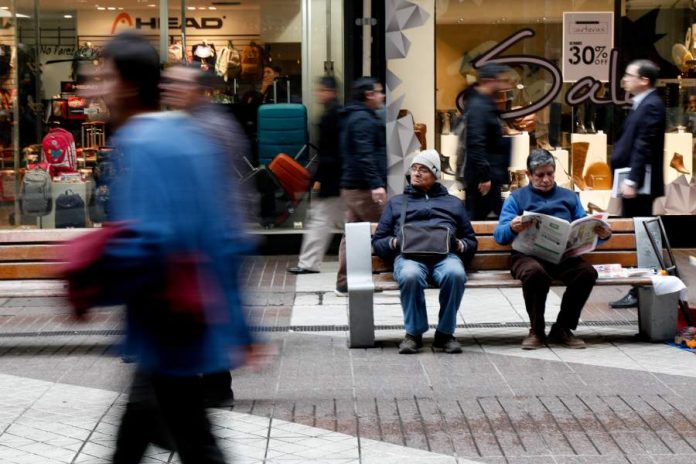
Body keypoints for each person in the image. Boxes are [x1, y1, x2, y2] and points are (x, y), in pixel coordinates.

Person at [82, 32, 258, 463]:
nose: (92, 88)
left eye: (102, 77)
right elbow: (219, 232)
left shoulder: (142, 142)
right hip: (176, 323)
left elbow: (155, 240)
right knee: (165, 431)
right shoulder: (182, 135)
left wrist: (87, 273)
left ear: (126, 84)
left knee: (192, 441)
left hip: (168, 323)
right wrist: (239, 324)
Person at [160, 64, 256, 407]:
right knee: (204, 311)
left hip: (216, 235)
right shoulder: (190, 123)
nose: (169, 88)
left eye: (177, 83)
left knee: (211, 311)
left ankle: (215, 386)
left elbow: (210, 188)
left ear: (198, 89)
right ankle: (209, 384)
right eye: (167, 82)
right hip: (207, 235)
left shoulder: (209, 125)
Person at [494, 149, 612, 350]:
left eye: (550, 173)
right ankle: (537, 331)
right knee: (534, 273)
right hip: (527, 256)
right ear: (529, 175)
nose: (546, 179)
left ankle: (563, 328)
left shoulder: (570, 197)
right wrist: (512, 227)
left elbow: (583, 226)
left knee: (586, 273)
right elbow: (500, 236)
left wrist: (602, 234)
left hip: (562, 256)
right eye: (540, 175)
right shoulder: (517, 198)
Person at [372, 149, 477, 354]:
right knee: (409, 275)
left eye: (424, 169)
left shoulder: (453, 203)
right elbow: (378, 241)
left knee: (455, 274)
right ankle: (414, 334)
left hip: (445, 256)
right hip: (409, 257)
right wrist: (395, 242)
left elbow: (471, 241)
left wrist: (459, 245)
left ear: (435, 175)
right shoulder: (397, 203)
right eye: (414, 168)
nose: (417, 173)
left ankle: (445, 334)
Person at [609, 59, 666, 309]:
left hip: (639, 185)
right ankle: (647, 283)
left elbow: (644, 144)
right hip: (634, 181)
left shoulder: (651, 105)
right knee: (638, 234)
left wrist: (632, 180)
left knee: (640, 236)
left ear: (644, 80)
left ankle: (643, 285)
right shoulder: (641, 103)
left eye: (629, 75)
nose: (625, 79)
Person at [335, 76, 386, 295]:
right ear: (369, 95)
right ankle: (390, 274)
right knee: (384, 227)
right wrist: (376, 184)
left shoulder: (353, 117)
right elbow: (365, 154)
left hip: (351, 184)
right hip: (363, 187)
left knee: (352, 232)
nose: (382, 96)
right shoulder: (363, 119)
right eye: (379, 91)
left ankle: (345, 281)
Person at [288, 76, 344, 274]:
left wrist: (318, 178)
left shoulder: (331, 116)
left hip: (333, 180)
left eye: (321, 90)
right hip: (339, 180)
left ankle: (308, 263)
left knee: (320, 220)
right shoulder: (336, 114)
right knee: (346, 222)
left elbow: (329, 153)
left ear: (330, 91)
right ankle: (308, 263)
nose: (318, 94)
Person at [458, 64, 512, 220]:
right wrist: (484, 177)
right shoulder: (479, 106)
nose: (505, 85)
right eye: (502, 80)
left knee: (490, 217)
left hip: (488, 176)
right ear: (490, 81)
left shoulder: (484, 103)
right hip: (483, 179)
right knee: (478, 219)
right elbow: (476, 143)